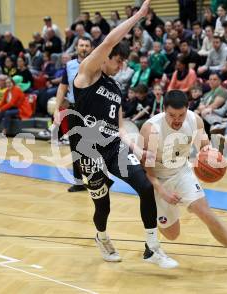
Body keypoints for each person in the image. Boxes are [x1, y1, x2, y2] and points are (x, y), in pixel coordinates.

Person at [72, 0, 178, 268]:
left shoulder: (116, 88)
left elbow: (119, 127)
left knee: (145, 187)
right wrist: (138, 17)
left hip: (113, 146)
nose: (120, 66)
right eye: (118, 60)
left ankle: (152, 249)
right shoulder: (87, 73)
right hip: (88, 149)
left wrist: (137, 148)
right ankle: (102, 236)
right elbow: (109, 40)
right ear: (105, 57)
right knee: (103, 205)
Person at [139, 90, 227, 274]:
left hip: (182, 172)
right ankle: (151, 240)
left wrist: (213, 155)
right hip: (158, 178)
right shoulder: (151, 129)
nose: (177, 119)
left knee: (205, 211)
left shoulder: (194, 120)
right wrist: (162, 192)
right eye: (172, 115)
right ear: (163, 109)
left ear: (187, 109)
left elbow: (204, 147)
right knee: (172, 235)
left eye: (181, 115)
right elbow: (147, 172)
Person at [52, 37, 92, 193]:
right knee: (75, 147)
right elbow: (62, 89)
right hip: (74, 109)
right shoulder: (69, 66)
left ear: (91, 48)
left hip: (91, 110)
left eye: (87, 45)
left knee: (92, 147)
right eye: (81, 45)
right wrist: (56, 109)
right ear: (76, 47)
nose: (84, 48)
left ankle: (95, 179)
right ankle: (78, 182)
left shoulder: (97, 64)